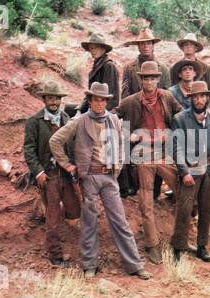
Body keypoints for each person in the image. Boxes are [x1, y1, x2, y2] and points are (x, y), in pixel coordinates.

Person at [49, 82, 151, 280]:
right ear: (90, 100)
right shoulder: (80, 121)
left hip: (109, 177)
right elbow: (55, 141)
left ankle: (134, 265)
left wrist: (118, 167)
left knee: (120, 221)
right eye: (96, 99)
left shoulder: (113, 120)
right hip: (89, 177)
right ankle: (89, 265)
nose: (99, 103)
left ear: (107, 101)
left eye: (103, 100)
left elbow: (122, 144)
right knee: (89, 222)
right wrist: (67, 165)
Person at [114, 61, 182, 264]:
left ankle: (180, 239)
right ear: (140, 79)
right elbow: (113, 117)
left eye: (153, 78)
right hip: (143, 152)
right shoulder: (131, 101)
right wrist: (129, 135)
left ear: (158, 79)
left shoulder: (167, 97)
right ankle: (152, 244)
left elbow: (181, 115)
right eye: (146, 78)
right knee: (146, 199)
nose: (149, 81)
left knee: (183, 188)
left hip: (165, 150)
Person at [23, 80, 80, 267]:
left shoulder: (66, 119)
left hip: (66, 173)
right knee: (53, 216)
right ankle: (55, 255)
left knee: (74, 209)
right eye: (50, 98)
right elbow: (29, 150)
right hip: (48, 175)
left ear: (60, 100)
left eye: (56, 98)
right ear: (44, 100)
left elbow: (72, 147)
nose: (53, 102)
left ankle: (74, 245)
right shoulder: (34, 121)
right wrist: (38, 172)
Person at [171, 81, 210, 262]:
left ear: (208, 97)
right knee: (184, 209)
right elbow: (176, 148)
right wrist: (183, 172)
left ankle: (202, 246)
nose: (199, 100)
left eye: (202, 96)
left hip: (208, 171)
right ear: (190, 98)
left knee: (206, 210)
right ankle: (178, 247)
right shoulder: (180, 119)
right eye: (195, 97)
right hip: (190, 171)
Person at [120, 28, 171, 199]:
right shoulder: (129, 68)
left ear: (153, 45)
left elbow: (166, 95)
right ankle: (133, 185)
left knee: (158, 150)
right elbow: (125, 93)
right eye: (142, 43)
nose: (145, 46)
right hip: (135, 113)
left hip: (156, 116)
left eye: (148, 43)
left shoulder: (163, 68)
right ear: (138, 46)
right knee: (132, 148)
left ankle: (155, 189)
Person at [170, 33, 210, 112]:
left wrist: (207, 110)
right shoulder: (175, 68)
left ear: (196, 48)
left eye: (191, 45)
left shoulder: (206, 68)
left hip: (202, 109)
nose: (188, 47)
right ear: (182, 48)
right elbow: (171, 91)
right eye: (186, 45)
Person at [77, 33, 119, 114]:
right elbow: (91, 93)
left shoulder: (108, 66)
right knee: (69, 109)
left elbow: (110, 95)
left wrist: (101, 114)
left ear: (103, 49)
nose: (93, 51)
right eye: (91, 48)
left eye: (96, 48)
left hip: (103, 110)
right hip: (95, 106)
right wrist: (79, 109)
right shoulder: (97, 64)